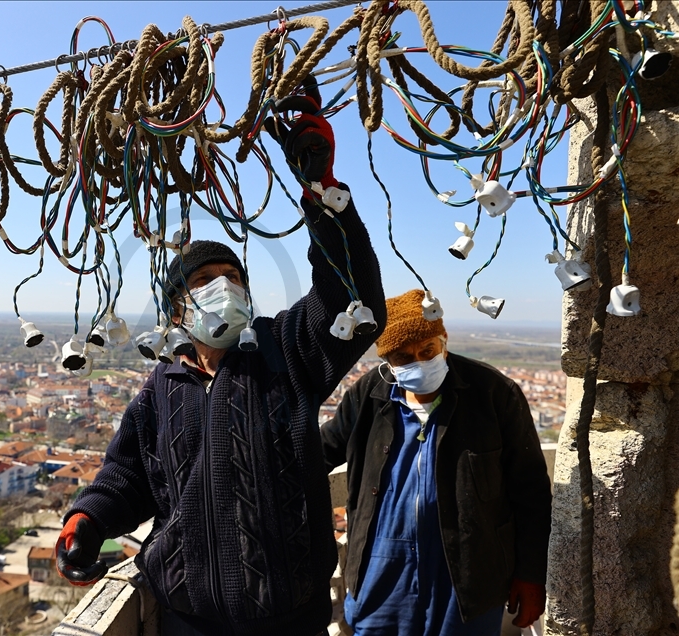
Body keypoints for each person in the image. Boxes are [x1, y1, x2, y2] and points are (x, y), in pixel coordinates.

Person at [54, 82, 386, 636]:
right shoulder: (160, 389)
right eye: (205, 281)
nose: (224, 289)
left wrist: (321, 192)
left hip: (289, 621)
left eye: (233, 278)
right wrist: (88, 518)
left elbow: (352, 299)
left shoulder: (286, 348)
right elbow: (129, 473)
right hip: (185, 621)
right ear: (176, 307)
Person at [319, 289, 553, 635]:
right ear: (386, 361)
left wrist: (531, 576)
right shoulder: (368, 395)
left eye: (427, 350)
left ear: (443, 340)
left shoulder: (491, 394)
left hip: (467, 577)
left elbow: (531, 491)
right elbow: (319, 452)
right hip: (381, 576)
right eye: (403, 357)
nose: (419, 361)